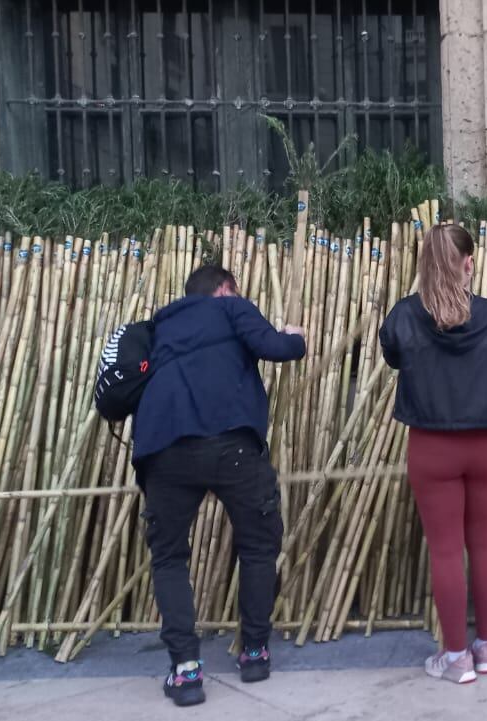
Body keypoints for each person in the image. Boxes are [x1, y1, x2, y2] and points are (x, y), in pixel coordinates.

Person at [379, 223, 487, 685]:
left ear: (423, 268)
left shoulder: (404, 316)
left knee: (446, 551)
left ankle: (456, 658)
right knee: (485, 543)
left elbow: (391, 353)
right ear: (470, 263)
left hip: (433, 449)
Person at [132, 265, 307, 707]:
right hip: (232, 443)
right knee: (258, 546)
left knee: (169, 557)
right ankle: (254, 652)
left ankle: (186, 671)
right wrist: (295, 335)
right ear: (225, 289)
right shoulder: (230, 308)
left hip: (164, 448)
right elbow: (276, 348)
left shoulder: (161, 324)